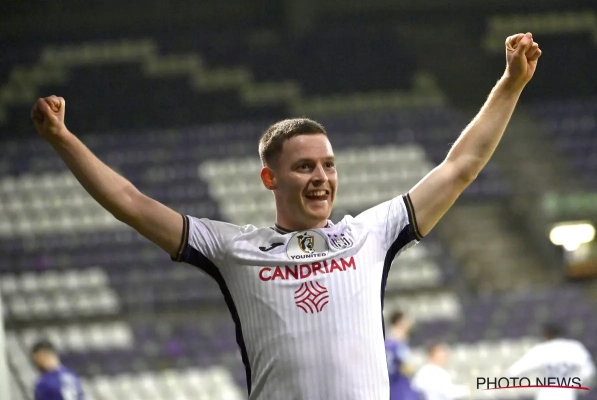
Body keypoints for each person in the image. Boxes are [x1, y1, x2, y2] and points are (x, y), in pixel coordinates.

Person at [30, 33, 542, 400]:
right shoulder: (232, 248)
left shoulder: (371, 233)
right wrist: (62, 139)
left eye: (328, 165)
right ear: (269, 178)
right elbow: (132, 203)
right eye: (304, 167)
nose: (321, 177)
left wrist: (510, 84)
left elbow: (459, 168)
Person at [508, 323, 597, 400]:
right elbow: (589, 371)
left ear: (547, 334)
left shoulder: (541, 349)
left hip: (546, 395)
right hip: (567, 395)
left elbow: (515, 370)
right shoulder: (574, 347)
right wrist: (577, 383)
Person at [386, 311, 419, 400]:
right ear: (400, 322)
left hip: (392, 389)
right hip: (400, 390)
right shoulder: (397, 344)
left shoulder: (388, 342)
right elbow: (407, 367)